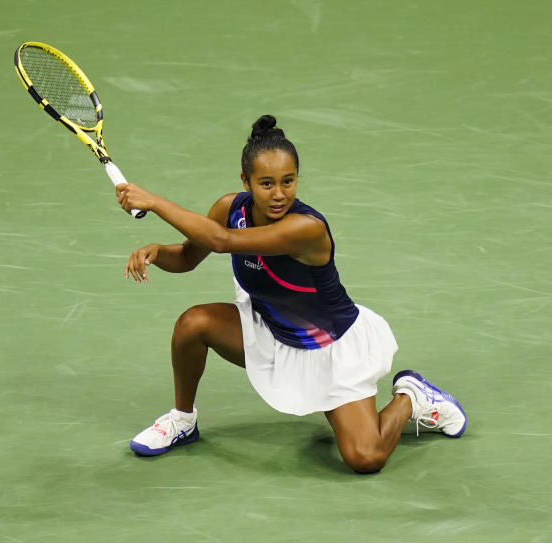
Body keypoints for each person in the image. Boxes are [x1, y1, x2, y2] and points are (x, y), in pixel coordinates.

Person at [115, 115, 466, 473]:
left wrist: (155, 202)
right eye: (266, 183)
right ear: (246, 181)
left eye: (288, 181)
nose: (279, 193)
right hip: (270, 333)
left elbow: (223, 242)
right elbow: (189, 257)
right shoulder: (230, 209)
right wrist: (158, 252)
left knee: (366, 457)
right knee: (193, 324)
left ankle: (411, 396)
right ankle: (182, 420)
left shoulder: (306, 229)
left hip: (330, 348)